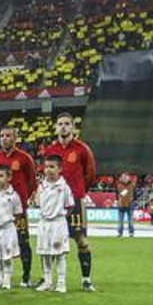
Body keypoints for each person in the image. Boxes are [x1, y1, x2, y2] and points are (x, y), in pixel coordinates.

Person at [40, 112, 98, 291]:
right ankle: (48, 280)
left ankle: (86, 279)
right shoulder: (50, 150)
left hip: (75, 203)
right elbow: (46, 175)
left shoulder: (82, 149)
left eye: (67, 123)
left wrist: (79, 192)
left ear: (73, 127)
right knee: (49, 242)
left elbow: (90, 174)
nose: (63, 127)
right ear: (56, 127)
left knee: (81, 241)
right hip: (54, 204)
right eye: (60, 124)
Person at [0, 124, 37, 286]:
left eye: (8, 135)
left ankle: (26, 276)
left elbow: (31, 181)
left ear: (15, 138)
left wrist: (24, 198)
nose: (4, 139)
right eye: (2, 135)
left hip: (18, 208)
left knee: (22, 240)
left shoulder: (24, 158)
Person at [34, 155, 76, 293]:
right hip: (44, 223)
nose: (48, 170)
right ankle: (47, 281)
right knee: (44, 254)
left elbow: (69, 206)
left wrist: (59, 216)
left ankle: (61, 282)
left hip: (58, 223)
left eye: (52, 167)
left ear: (60, 169)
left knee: (59, 254)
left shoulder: (64, 187)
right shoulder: (41, 186)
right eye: (46, 167)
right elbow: (38, 203)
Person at [115, 172, 137, 237]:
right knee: (121, 219)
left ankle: (130, 232)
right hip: (121, 204)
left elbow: (135, 194)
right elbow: (117, 195)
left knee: (130, 219)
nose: (124, 178)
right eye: (123, 177)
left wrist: (133, 200)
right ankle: (120, 232)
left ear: (128, 178)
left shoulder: (131, 185)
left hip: (130, 204)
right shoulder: (119, 185)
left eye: (126, 177)